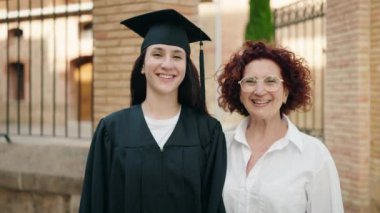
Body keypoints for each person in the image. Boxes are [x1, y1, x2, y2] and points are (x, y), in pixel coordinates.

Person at [79, 9, 226, 213]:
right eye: (157, 54)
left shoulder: (208, 133)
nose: (167, 64)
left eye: (177, 56)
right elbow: (93, 203)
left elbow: (213, 206)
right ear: (142, 65)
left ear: (185, 67)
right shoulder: (111, 131)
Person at [217, 41, 344, 213]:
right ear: (239, 92)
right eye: (250, 81)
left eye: (271, 81)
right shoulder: (221, 145)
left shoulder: (314, 156)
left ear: (285, 92)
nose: (260, 91)